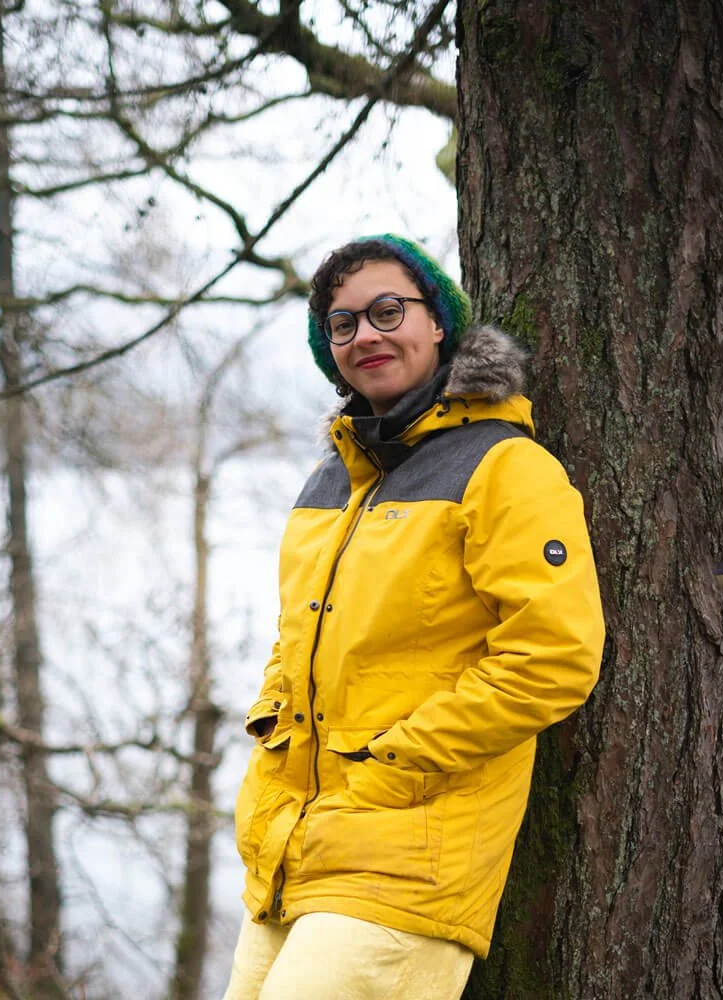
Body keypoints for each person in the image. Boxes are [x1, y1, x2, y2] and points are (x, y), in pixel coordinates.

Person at [222, 234, 605, 999]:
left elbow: (553, 657)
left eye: (388, 310)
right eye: (342, 324)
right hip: (296, 843)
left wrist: (395, 764)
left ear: (438, 324)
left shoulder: (504, 465)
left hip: (411, 852)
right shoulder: (331, 481)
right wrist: (270, 734)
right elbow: (296, 638)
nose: (365, 334)